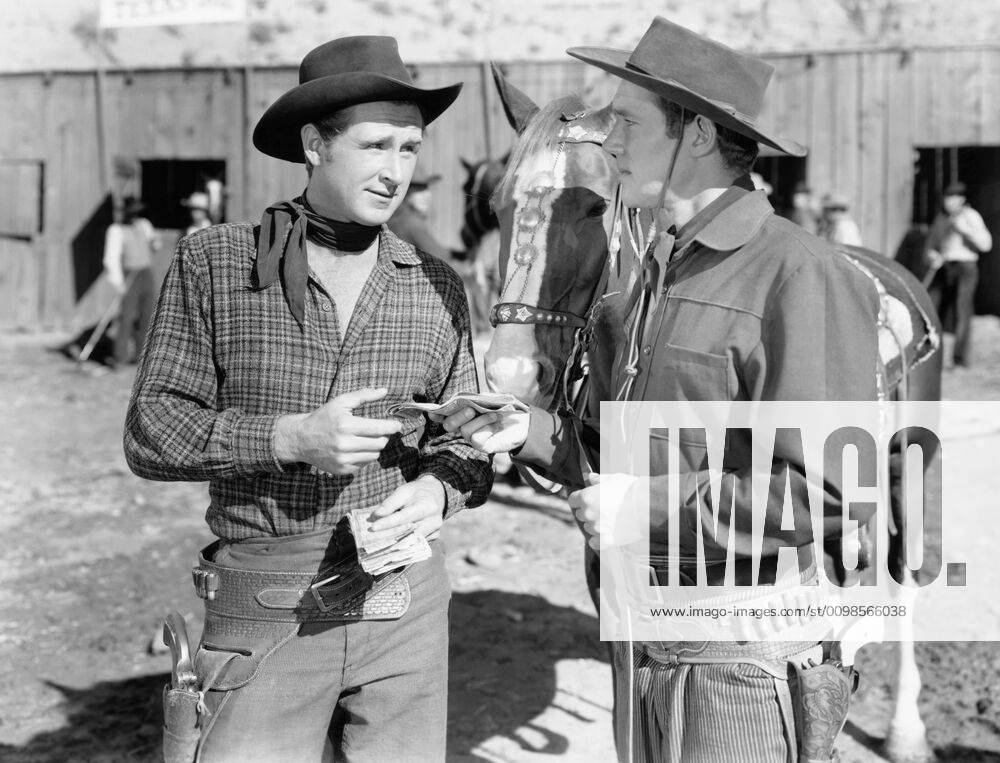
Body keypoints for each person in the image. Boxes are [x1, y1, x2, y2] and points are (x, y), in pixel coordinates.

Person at [443, 17, 879, 762]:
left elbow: (832, 492)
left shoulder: (799, 274)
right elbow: (617, 448)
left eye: (628, 122)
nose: (608, 143)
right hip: (641, 639)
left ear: (699, 137)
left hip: (740, 662)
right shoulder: (650, 278)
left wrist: (637, 505)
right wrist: (529, 430)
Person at [124, 36, 492, 762]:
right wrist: (288, 438)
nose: (395, 172)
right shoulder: (216, 262)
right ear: (314, 144)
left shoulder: (437, 287)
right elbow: (149, 430)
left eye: (410, 148)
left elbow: (468, 441)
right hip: (266, 608)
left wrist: (438, 493)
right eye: (375, 145)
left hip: (405, 606)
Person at [925, 180, 993, 367]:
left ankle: (960, 358)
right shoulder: (940, 219)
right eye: (946, 198)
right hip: (945, 266)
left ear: (961, 199)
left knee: (962, 311)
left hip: (965, 266)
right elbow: (930, 246)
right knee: (932, 307)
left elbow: (986, 244)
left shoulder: (970, 216)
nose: (948, 202)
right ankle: (932, 355)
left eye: (951, 198)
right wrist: (933, 255)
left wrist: (963, 230)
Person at [102, 195, 160, 366]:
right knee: (126, 318)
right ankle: (119, 357)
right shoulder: (116, 230)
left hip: (145, 273)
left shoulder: (144, 225)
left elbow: (154, 246)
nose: (133, 216)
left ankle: (142, 357)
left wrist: (155, 242)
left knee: (147, 316)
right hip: (129, 275)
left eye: (136, 213)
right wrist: (118, 283)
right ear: (124, 213)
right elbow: (110, 259)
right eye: (130, 213)